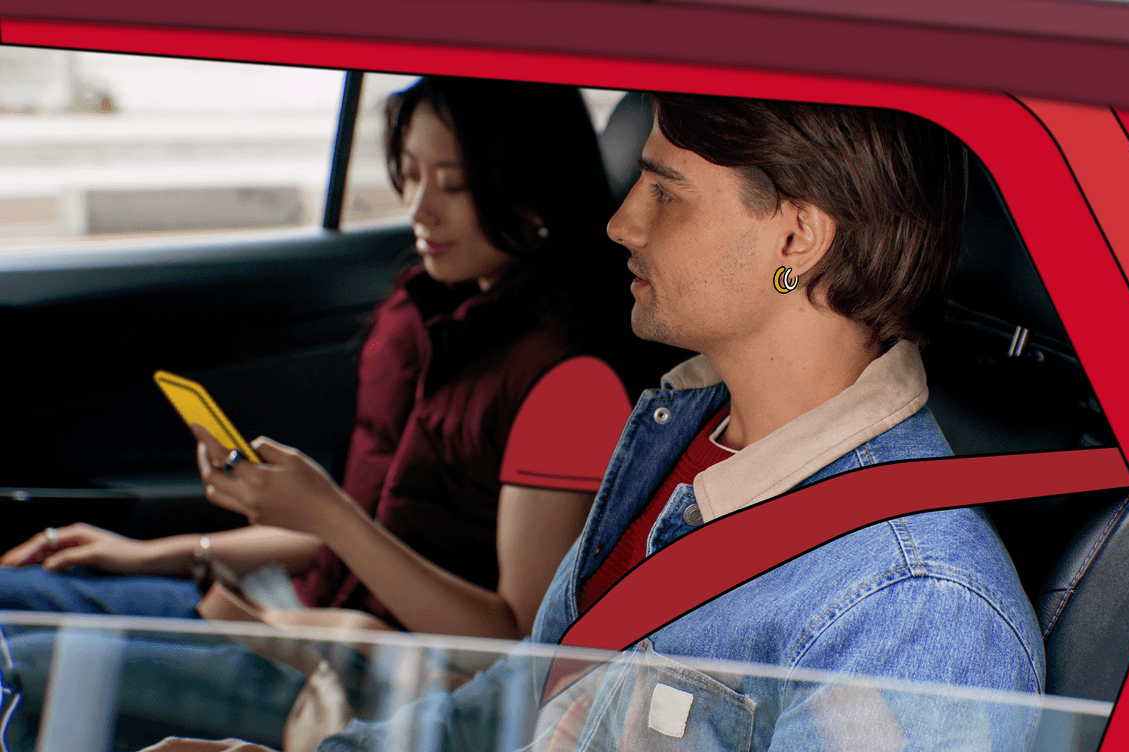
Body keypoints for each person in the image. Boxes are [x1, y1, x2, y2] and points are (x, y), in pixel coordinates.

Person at [91, 91, 1045, 752]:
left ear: (796, 237)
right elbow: (547, 687)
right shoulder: (682, 429)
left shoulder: (915, 610)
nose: (624, 221)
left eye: (666, 191)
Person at [0, 76, 668, 642]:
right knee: (21, 592)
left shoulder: (568, 382)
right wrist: (153, 555)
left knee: (20, 640)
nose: (418, 208)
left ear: (532, 188)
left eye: (453, 184)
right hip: (290, 613)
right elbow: (364, 536)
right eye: (409, 174)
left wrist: (329, 514)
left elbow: (513, 637)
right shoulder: (435, 320)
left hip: (350, 673)